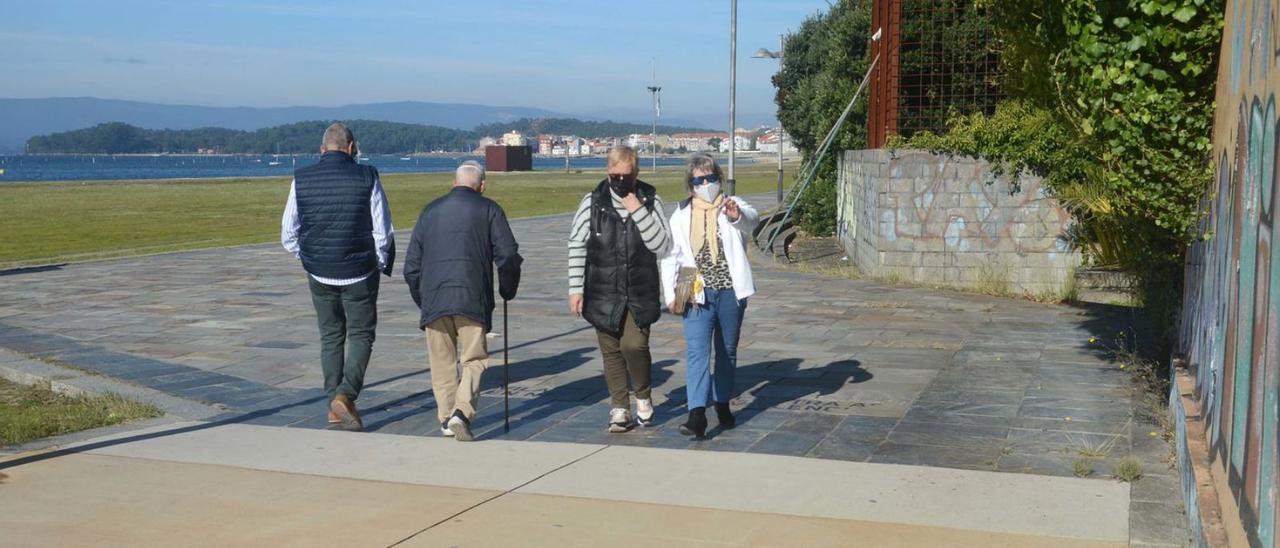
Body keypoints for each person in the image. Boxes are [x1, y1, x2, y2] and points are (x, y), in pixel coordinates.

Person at [281, 122, 395, 432]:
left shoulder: (301, 179)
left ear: (322, 150)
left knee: (330, 335)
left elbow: (288, 233)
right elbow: (382, 230)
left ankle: (334, 402)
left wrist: (308, 258)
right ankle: (345, 395)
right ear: (352, 147)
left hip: (319, 270)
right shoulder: (367, 176)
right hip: (360, 270)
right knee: (361, 333)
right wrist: (379, 263)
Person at [404, 161, 521, 442]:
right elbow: (508, 255)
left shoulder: (429, 211)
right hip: (472, 297)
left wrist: (423, 299)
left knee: (441, 362)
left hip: (434, 299)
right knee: (475, 359)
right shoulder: (490, 208)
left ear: (453, 183)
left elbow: (411, 267)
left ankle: (446, 417)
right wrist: (508, 288)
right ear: (482, 186)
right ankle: (461, 411)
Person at [567, 145, 670, 432]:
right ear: (607, 172)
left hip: (640, 288)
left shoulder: (651, 200)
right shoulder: (592, 202)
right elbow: (577, 244)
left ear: (636, 173)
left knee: (634, 345)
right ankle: (619, 408)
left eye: (628, 175)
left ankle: (644, 394)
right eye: (616, 175)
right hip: (602, 288)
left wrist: (638, 210)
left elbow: (661, 245)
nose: (621, 181)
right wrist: (576, 288)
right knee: (611, 350)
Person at [661, 153, 758, 438]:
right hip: (693, 287)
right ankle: (696, 414)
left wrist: (736, 216)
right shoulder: (680, 214)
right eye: (699, 180)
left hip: (731, 289)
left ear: (720, 178)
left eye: (711, 177)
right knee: (696, 352)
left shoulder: (732, 204)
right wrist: (671, 295)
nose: (706, 184)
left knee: (726, 350)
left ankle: (723, 403)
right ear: (690, 185)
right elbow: (670, 257)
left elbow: (753, 220)